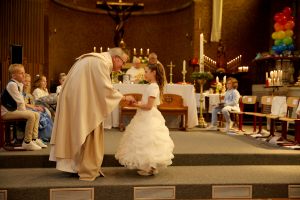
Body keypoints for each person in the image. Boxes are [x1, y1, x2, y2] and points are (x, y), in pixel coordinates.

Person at [49, 48, 135, 181]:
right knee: (89, 126)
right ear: (116, 58)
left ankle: (73, 165)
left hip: (75, 99)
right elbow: (105, 89)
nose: (122, 67)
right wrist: (123, 98)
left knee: (75, 129)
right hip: (81, 101)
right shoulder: (101, 63)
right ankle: (83, 166)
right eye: (122, 63)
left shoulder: (92, 59)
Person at [115, 63, 174, 176]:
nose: (144, 74)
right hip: (145, 115)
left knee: (148, 140)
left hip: (148, 117)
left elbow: (148, 106)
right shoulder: (152, 86)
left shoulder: (153, 87)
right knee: (146, 141)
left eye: (146, 72)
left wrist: (135, 105)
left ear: (154, 72)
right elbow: (146, 104)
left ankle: (150, 167)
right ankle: (150, 166)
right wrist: (137, 103)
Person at [1, 64, 45, 150]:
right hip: (7, 112)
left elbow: (21, 101)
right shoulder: (12, 85)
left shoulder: (18, 84)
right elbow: (20, 102)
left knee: (37, 114)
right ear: (14, 75)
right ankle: (27, 142)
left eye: (24, 73)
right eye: (21, 73)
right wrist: (27, 112)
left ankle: (34, 139)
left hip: (13, 110)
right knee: (31, 115)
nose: (24, 75)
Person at [23, 73, 53, 143]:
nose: (27, 83)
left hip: (31, 107)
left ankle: (49, 135)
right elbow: (23, 104)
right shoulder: (21, 90)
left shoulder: (28, 93)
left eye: (29, 82)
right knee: (41, 114)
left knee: (44, 112)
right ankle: (42, 136)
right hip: (23, 108)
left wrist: (36, 107)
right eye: (26, 81)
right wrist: (35, 107)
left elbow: (33, 103)